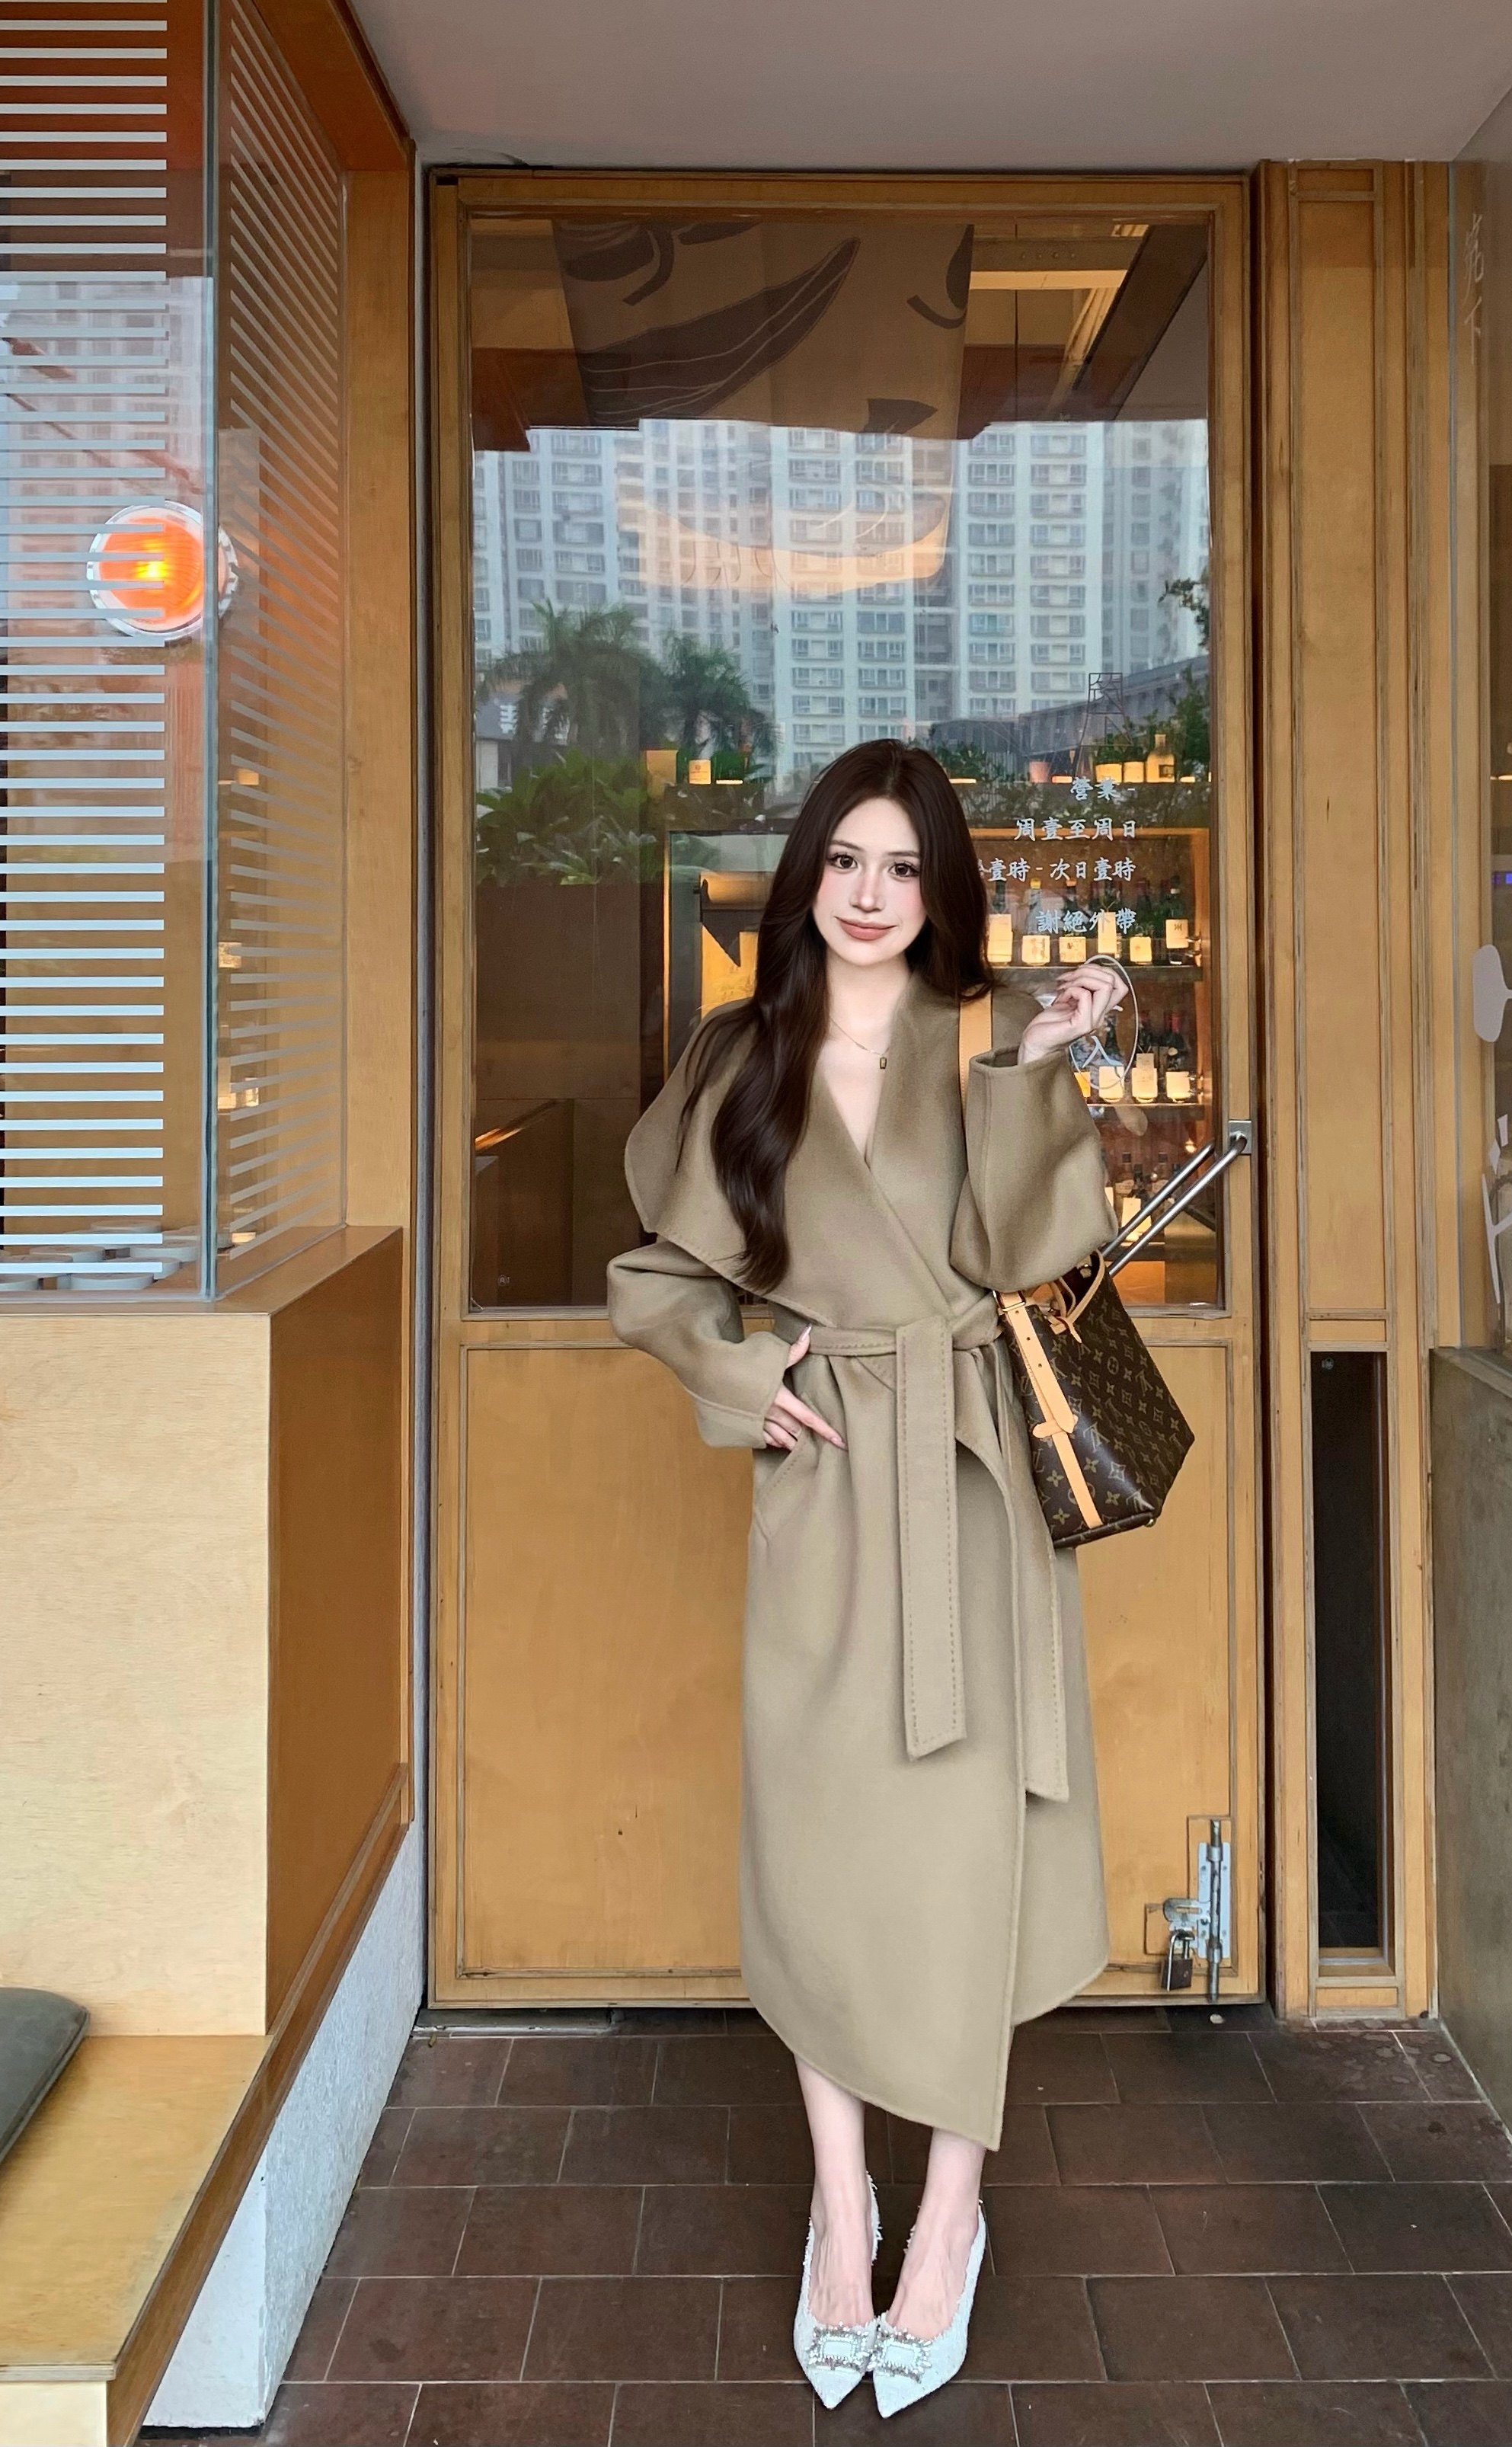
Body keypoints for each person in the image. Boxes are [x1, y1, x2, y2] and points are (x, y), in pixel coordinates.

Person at [606, 739, 1125, 2416]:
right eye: (844, 858)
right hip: (829, 1492)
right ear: (804, 875)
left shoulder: (982, 1036)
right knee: (820, 1846)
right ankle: (844, 2208)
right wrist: (743, 1374)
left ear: (939, 887)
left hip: (970, 1489)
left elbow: (1035, 1258)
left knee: (971, 1851)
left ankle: (947, 2214)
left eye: (903, 866)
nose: (869, 893)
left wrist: (1037, 1066)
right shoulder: (735, 1055)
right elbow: (657, 1277)